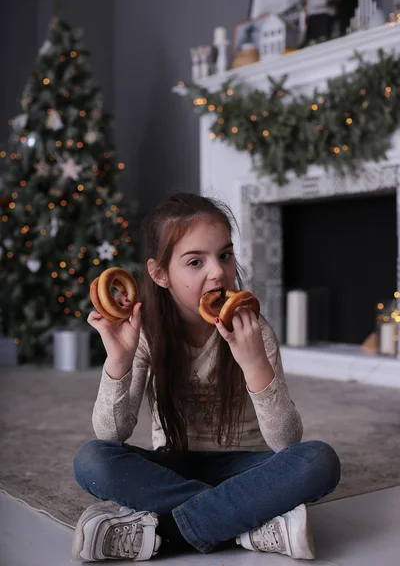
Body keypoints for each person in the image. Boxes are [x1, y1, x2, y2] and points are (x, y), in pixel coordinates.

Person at [72, 192, 341, 562]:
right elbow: (111, 434)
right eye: (195, 261)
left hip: (247, 468)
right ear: (160, 274)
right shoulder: (146, 331)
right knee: (91, 459)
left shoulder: (253, 329)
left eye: (225, 255)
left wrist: (255, 365)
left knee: (318, 461)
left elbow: (285, 441)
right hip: (174, 464)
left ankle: (165, 533)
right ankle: (250, 523)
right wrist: (118, 360)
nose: (218, 271)